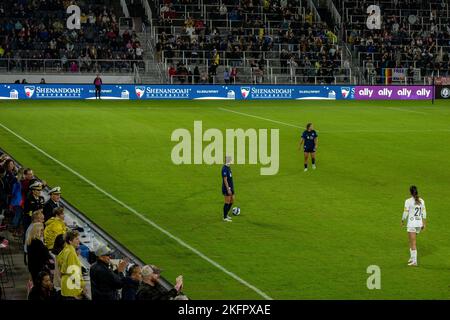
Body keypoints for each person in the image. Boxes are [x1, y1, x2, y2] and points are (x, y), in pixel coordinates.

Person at [401, 186, 427, 266]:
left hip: (412, 224)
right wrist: (424, 223)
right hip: (419, 224)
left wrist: (402, 220)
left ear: (410, 192)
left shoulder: (408, 201)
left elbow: (405, 212)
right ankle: (412, 257)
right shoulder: (421, 200)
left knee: (413, 242)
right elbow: (424, 213)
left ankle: (414, 261)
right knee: (411, 240)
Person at [57, 230, 86, 299]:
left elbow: (61, 265)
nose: (79, 241)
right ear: (70, 241)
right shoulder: (71, 253)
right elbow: (72, 272)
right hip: (71, 287)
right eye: (76, 239)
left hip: (65, 286)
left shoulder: (65, 250)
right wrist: (82, 285)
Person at [221, 156, 235, 222]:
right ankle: (224, 217)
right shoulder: (224, 169)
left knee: (232, 200)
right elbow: (225, 180)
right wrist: (228, 189)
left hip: (231, 187)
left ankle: (226, 215)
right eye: (229, 159)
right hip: (227, 188)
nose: (230, 160)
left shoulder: (228, 167)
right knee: (227, 202)